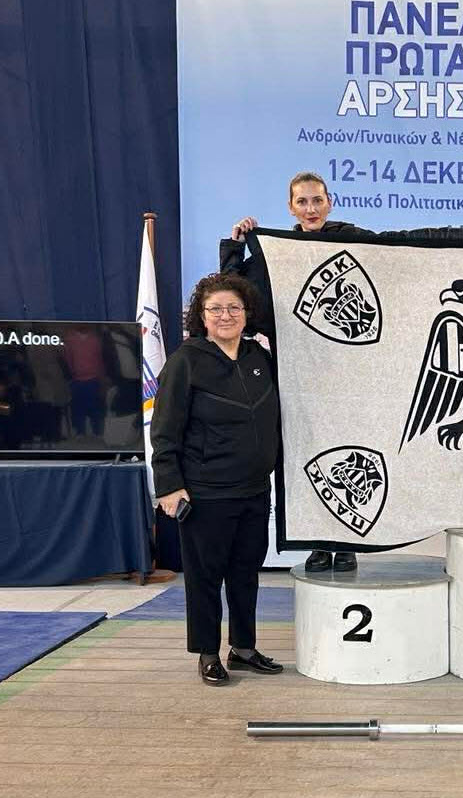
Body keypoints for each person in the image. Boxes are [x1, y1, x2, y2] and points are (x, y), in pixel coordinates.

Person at [221, 171, 463, 573]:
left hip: (354, 377)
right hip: (301, 379)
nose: (311, 208)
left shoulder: (351, 237)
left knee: (351, 451)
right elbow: (234, 295)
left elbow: (405, 244)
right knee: (304, 453)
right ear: (290, 207)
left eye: (317, 200)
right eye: (302, 201)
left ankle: (346, 542)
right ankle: (318, 540)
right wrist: (236, 245)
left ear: (330, 202)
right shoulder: (278, 254)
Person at [150, 273, 284, 686]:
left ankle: (243, 648)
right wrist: (169, 485)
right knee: (205, 578)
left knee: (246, 572)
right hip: (205, 493)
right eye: (216, 309)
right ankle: (207, 653)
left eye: (234, 308)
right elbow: (164, 429)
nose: (226, 316)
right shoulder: (185, 361)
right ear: (202, 316)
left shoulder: (259, 358)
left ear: (247, 313)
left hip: (255, 490)